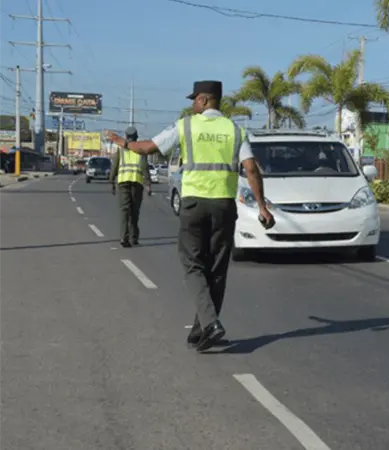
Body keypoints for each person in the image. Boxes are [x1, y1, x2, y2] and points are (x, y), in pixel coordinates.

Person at [104, 80, 273, 352]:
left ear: (204, 100)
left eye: (195, 99)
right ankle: (201, 328)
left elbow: (147, 148)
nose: (193, 104)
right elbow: (251, 169)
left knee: (192, 264)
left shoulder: (185, 126)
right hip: (224, 206)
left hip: (194, 204)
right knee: (217, 268)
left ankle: (210, 324)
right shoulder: (235, 130)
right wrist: (262, 206)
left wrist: (121, 142)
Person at [110, 126, 151, 247]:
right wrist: (148, 184)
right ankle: (133, 237)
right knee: (134, 211)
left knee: (124, 210)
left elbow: (115, 166)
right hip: (136, 183)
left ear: (126, 137)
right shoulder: (140, 149)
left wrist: (111, 181)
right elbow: (144, 167)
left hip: (123, 182)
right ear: (136, 137)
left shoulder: (121, 149)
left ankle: (124, 237)